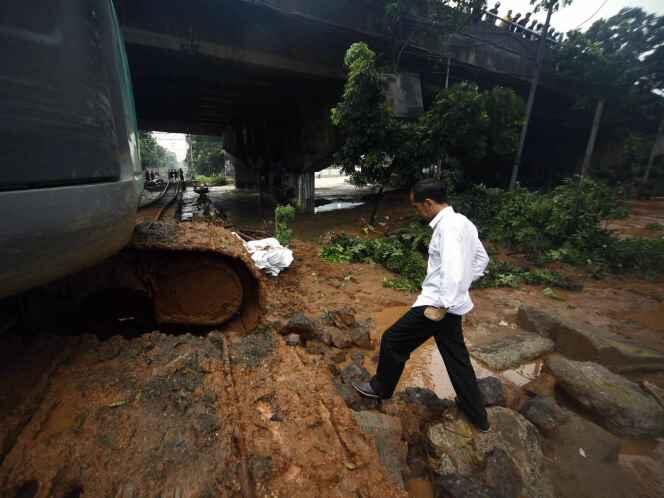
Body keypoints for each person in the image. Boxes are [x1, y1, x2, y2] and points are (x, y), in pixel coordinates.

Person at [352, 179, 491, 432]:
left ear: (428, 203)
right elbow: (482, 259)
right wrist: (461, 288)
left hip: (438, 305)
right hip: (452, 304)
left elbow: (452, 269)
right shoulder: (463, 222)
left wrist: (444, 303)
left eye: (417, 206)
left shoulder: (447, 228)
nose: (417, 211)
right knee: (456, 359)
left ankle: (381, 388)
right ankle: (478, 417)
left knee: (393, 340)